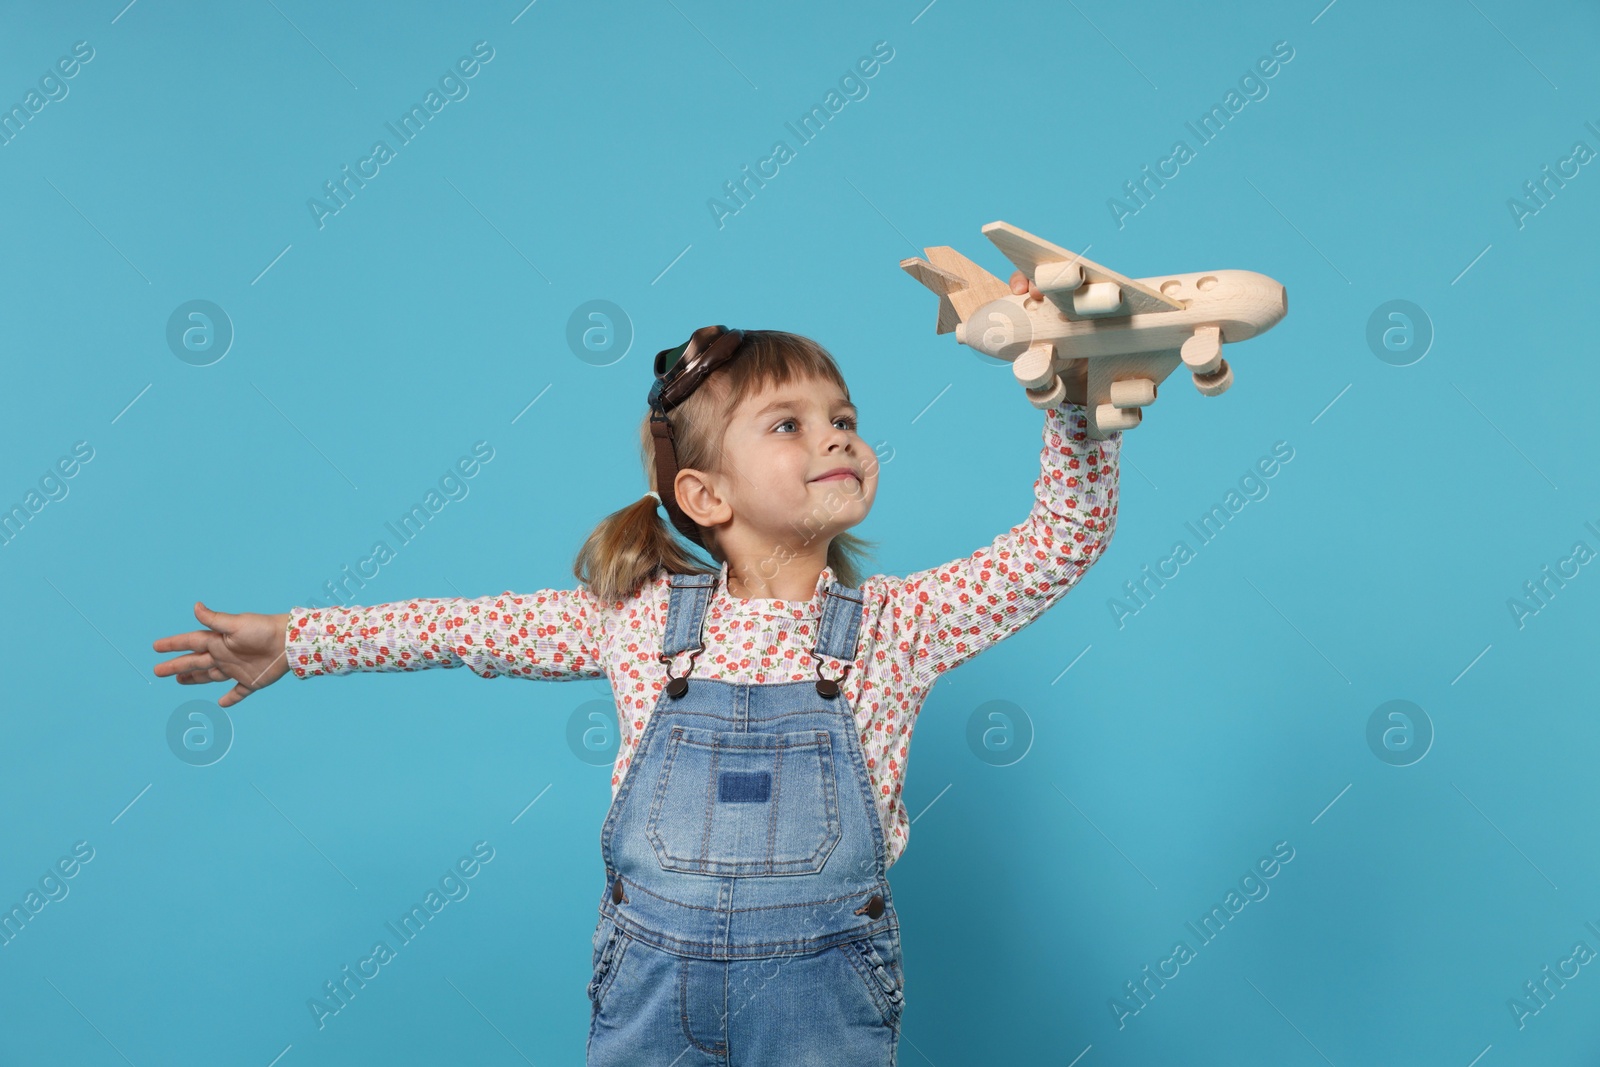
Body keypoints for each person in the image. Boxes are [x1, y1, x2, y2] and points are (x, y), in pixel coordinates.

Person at [150, 271, 1121, 1065]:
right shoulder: (642, 620)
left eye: (843, 416)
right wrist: (296, 639)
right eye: (786, 423)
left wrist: (1074, 405)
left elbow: (1058, 540)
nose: (833, 434)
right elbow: (462, 627)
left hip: (821, 998)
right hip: (650, 986)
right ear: (703, 493)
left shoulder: (900, 622)